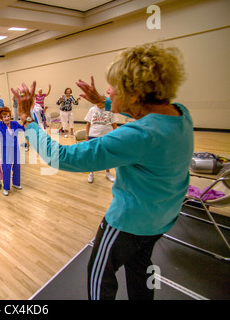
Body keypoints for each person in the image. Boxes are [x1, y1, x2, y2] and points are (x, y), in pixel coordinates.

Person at [12, 43, 192, 300]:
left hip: (127, 224)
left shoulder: (137, 135)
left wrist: (28, 119)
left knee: (99, 275)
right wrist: (103, 101)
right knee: (140, 269)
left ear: (135, 93)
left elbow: (60, 156)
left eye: (114, 87)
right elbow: (146, 114)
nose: (108, 90)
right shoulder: (181, 115)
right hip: (160, 220)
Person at [0, 107, 25, 196]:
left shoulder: (15, 123)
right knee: (6, 168)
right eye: (4, 116)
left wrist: (25, 121)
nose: (6, 118)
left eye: (8, 116)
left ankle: (16, 183)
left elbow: (24, 129)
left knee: (17, 166)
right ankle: (6, 187)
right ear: (1, 118)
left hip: (15, 148)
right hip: (6, 150)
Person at [84, 103, 118, 183]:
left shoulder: (110, 110)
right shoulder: (92, 109)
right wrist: (86, 135)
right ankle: (91, 172)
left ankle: (108, 173)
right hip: (93, 135)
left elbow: (114, 124)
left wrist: (115, 136)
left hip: (107, 136)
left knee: (107, 155)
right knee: (93, 155)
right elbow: (88, 123)